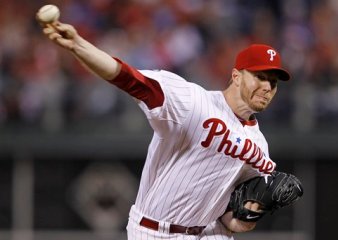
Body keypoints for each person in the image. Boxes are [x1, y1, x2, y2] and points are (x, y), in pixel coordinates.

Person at [39, 19, 291, 240]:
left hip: (211, 233)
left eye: (273, 82)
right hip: (155, 232)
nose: (267, 87)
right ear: (236, 76)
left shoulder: (259, 148)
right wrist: (78, 45)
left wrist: (252, 212)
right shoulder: (192, 102)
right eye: (260, 77)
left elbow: (232, 220)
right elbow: (129, 79)